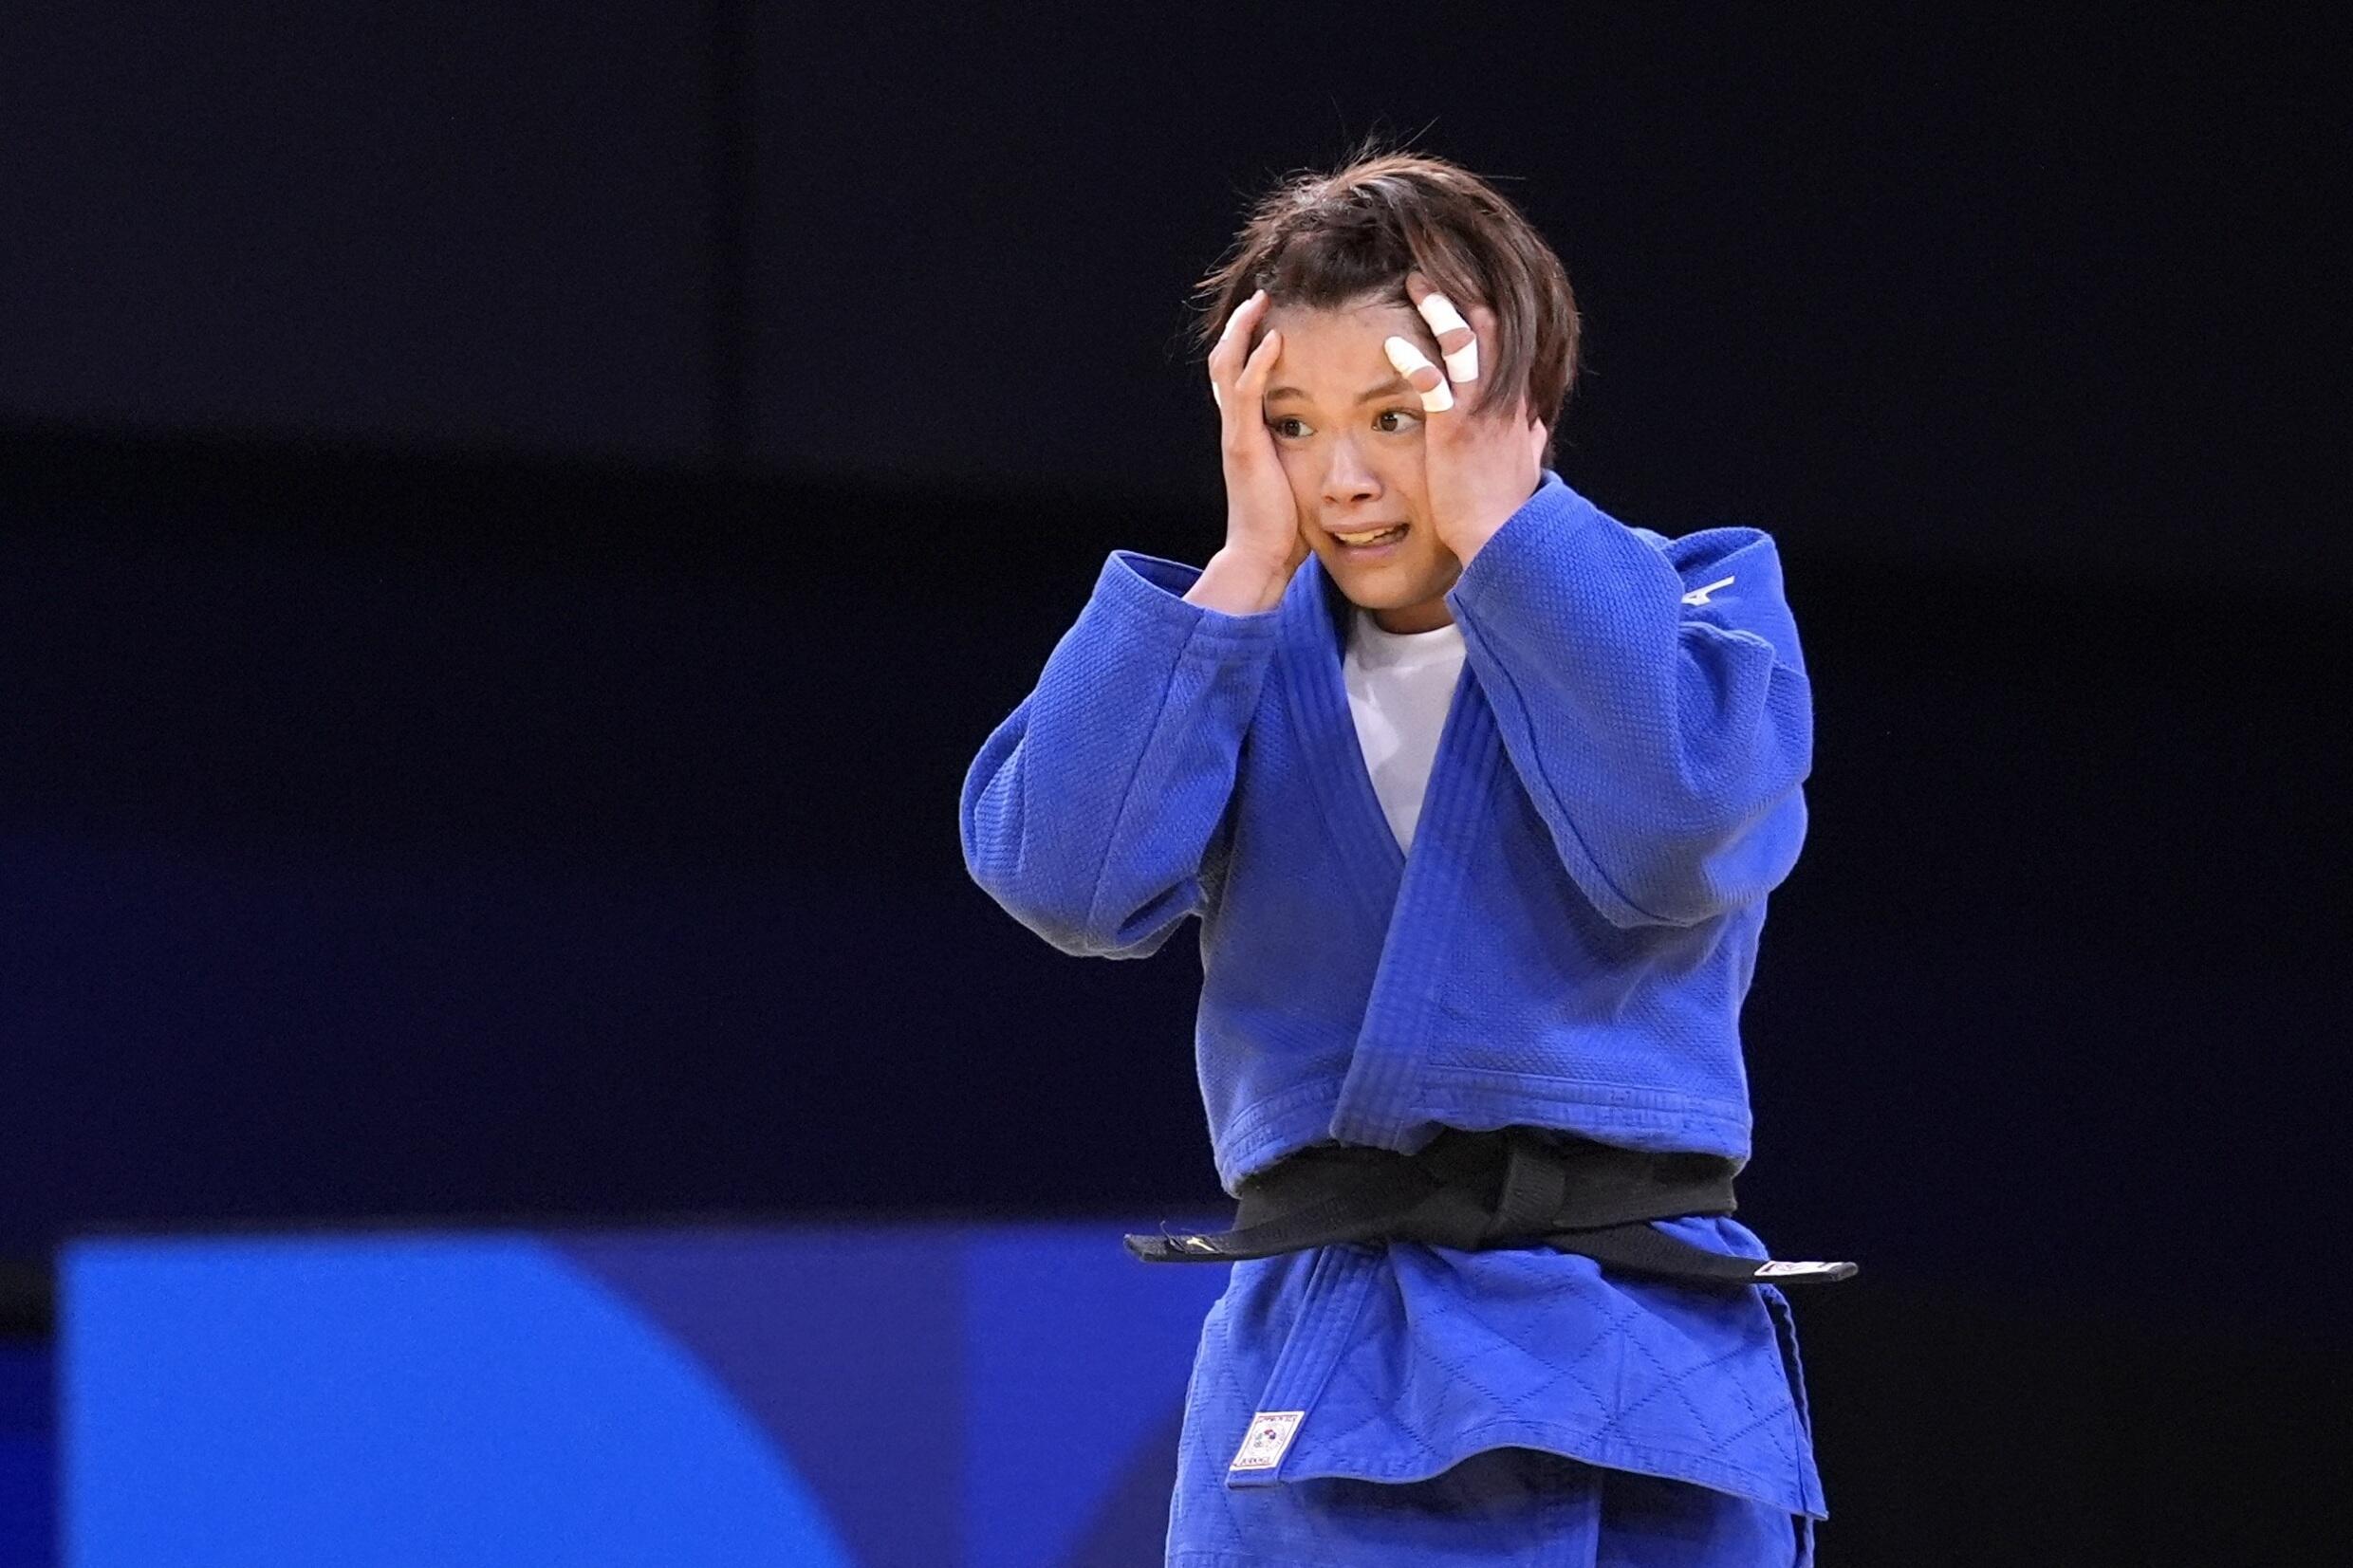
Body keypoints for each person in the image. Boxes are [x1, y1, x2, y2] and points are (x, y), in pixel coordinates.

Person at [958, 146, 1845, 1567]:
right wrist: (1243, 565)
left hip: (1652, 1371)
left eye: (1398, 413)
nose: (1349, 478)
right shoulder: (1237, 653)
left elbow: (1676, 840)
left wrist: (1511, 531)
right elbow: (1061, 879)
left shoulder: (1699, 600)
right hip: (1334, 1372)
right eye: (1294, 424)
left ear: (1519, 405)